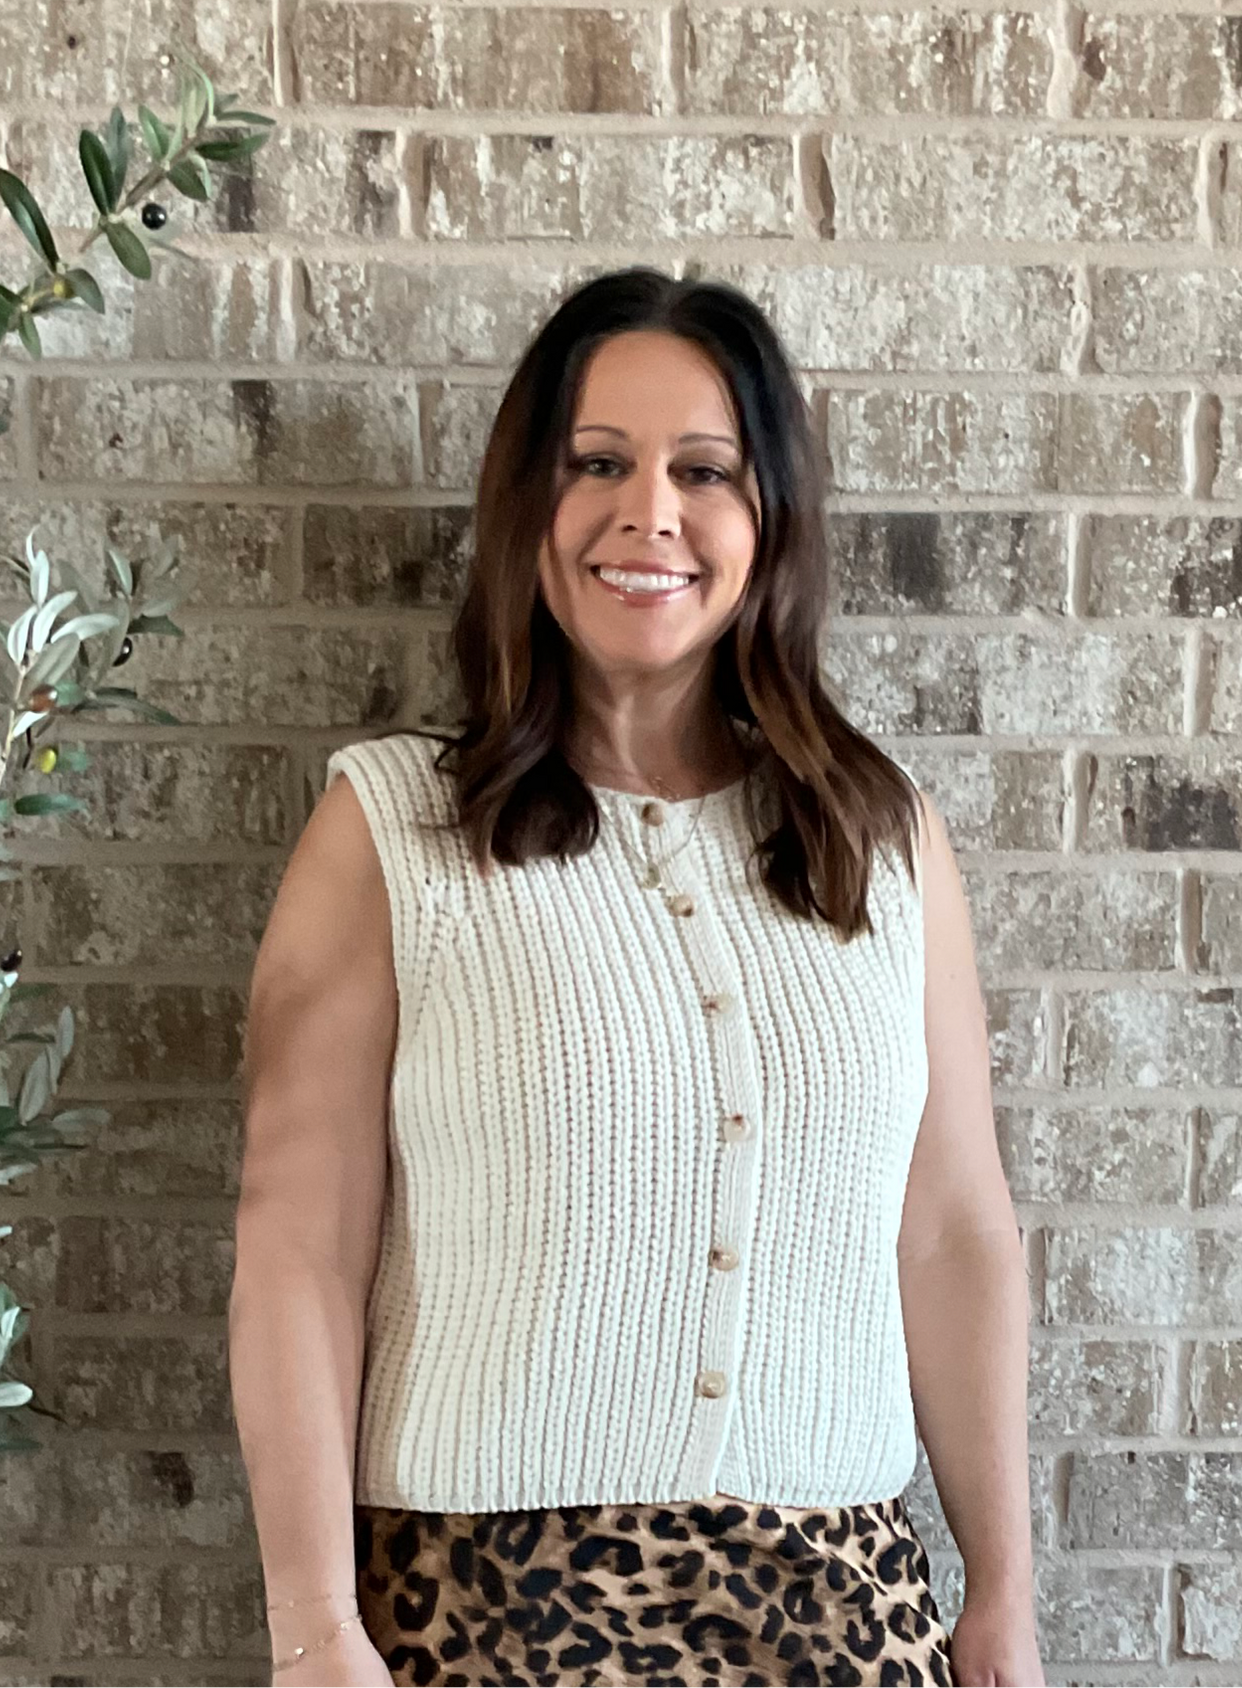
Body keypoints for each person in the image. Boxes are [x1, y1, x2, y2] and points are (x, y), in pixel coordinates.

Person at [230, 266, 1047, 1688]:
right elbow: (299, 1246)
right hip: (486, 1611)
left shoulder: (881, 834)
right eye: (595, 463)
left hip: (841, 1607)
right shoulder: (392, 833)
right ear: (526, 508)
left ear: (768, 519)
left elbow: (952, 1229)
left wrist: (1004, 1597)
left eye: (705, 471)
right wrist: (314, 1628)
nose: (648, 513)